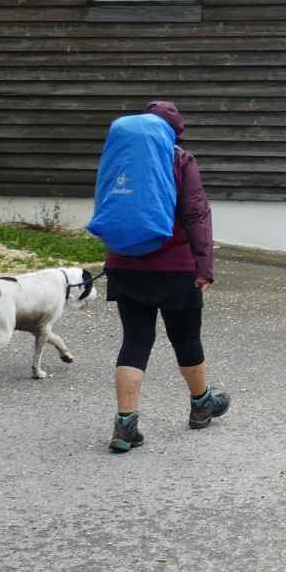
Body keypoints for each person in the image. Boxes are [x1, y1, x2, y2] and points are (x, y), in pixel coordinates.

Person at [104, 101, 230, 453]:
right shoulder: (180, 161)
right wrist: (204, 266)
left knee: (135, 341)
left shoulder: (121, 157)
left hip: (125, 263)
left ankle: (125, 425)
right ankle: (201, 403)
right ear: (175, 133)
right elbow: (196, 214)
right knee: (186, 338)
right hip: (176, 268)